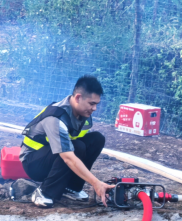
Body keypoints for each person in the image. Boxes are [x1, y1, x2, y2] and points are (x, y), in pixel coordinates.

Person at [20, 75, 115, 208]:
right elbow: (68, 157)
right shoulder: (56, 117)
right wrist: (96, 183)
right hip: (34, 163)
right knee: (77, 147)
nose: (94, 108)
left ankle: (72, 188)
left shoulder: (84, 115)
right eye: (91, 103)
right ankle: (45, 192)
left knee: (97, 139)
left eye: (96, 104)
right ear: (78, 98)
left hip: (53, 156)